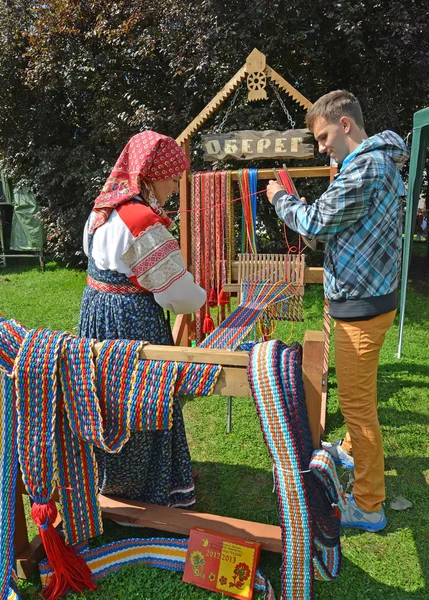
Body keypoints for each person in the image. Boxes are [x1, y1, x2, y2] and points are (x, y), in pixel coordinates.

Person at [266, 90, 409, 532]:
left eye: (325, 136)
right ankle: (348, 449)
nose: (323, 146)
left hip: (362, 310)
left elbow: (313, 222)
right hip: (368, 302)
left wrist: (277, 198)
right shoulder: (374, 163)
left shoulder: (364, 168)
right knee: (359, 403)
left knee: (359, 409)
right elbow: (338, 224)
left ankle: (368, 505)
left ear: (345, 124)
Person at [79, 131, 206, 507]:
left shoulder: (102, 209)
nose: (173, 187)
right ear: (151, 175)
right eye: (171, 178)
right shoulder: (142, 224)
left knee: (105, 395)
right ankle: (146, 488)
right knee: (142, 398)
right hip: (133, 324)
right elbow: (178, 297)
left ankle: (109, 479)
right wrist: (199, 291)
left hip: (97, 316)